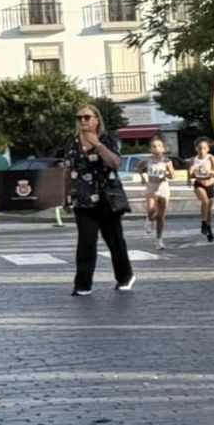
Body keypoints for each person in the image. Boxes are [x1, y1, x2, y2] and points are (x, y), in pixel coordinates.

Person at [61, 105, 135, 295]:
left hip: (106, 198)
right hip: (82, 199)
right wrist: (65, 195)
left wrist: (98, 145)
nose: (82, 121)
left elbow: (115, 163)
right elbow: (68, 170)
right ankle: (83, 285)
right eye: (79, 117)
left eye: (87, 117)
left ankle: (125, 276)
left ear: (96, 119)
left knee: (114, 240)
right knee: (86, 242)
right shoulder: (71, 142)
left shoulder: (106, 139)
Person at [140, 137, 173, 250]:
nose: (156, 148)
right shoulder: (146, 160)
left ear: (163, 148)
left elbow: (173, 175)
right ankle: (149, 218)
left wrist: (166, 174)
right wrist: (142, 178)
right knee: (151, 209)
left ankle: (159, 240)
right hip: (151, 186)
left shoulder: (166, 161)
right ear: (150, 149)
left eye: (159, 146)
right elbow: (139, 168)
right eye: (154, 146)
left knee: (160, 216)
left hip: (163, 187)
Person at [189, 138, 214, 242]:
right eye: (199, 148)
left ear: (208, 149)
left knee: (209, 210)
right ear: (196, 149)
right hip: (199, 184)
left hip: (210, 184)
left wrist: (209, 171)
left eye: (204, 148)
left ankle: (209, 228)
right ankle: (203, 223)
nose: (202, 150)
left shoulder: (211, 158)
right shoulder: (193, 159)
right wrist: (191, 173)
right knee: (205, 201)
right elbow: (190, 173)